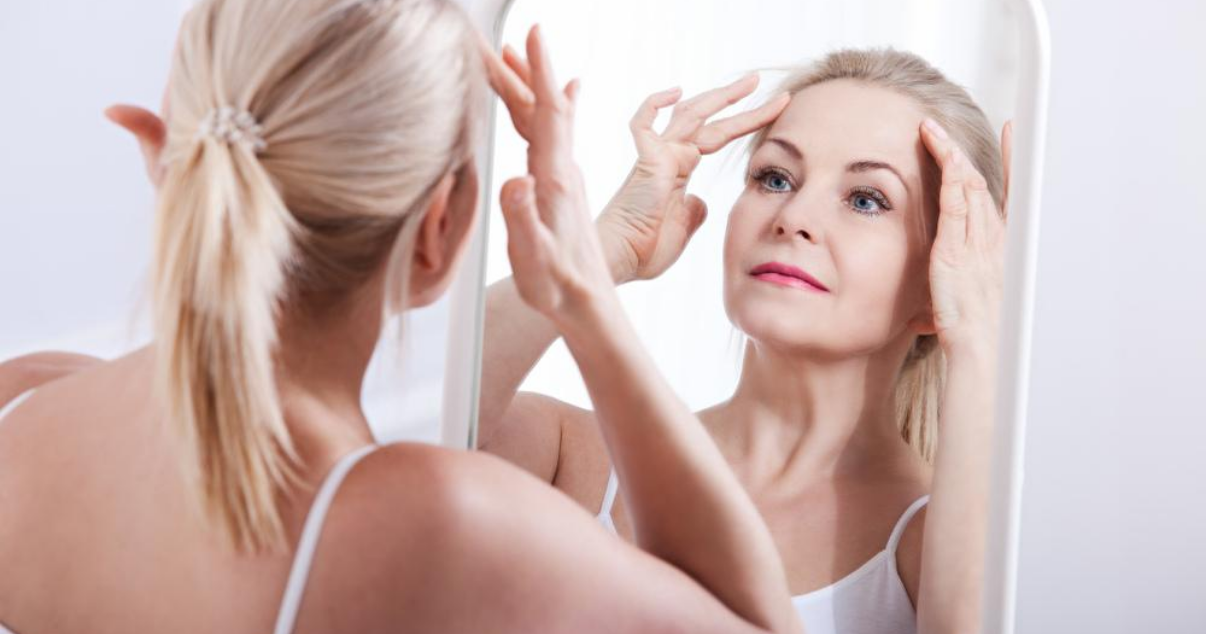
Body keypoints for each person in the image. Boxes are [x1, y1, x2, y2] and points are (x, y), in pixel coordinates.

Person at [0, 2, 805, 632]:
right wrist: (582, 291)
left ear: (155, 152)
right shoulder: (435, 521)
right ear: (442, 230)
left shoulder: (23, 400)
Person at [481, 45, 1011, 634]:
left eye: (866, 199)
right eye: (775, 178)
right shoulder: (568, 456)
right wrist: (596, 253)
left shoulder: (923, 544)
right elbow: (393, 432)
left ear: (942, 278)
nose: (794, 217)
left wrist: (982, 338)